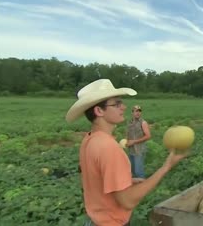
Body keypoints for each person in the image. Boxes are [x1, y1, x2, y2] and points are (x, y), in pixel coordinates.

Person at [65, 79, 188, 226]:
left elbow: (96, 179)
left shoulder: (89, 139)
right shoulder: (109, 148)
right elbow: (127, 201)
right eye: (116, 104)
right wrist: (165, 167)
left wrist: (127, 182)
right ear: (99, 111)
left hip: (94, 220)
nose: (123, 107)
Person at [126, 105, 151, 178]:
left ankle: (143, 187)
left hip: (139, 150)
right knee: (132, 171)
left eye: (139, 111)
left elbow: (148, 136)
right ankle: (136, 188)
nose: (138, 113)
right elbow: (128, 134)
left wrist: (134, 141)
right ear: (132, 112)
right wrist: (127, 142)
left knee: (138, 172)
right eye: (136, 111)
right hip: (131, 150)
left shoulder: (143, 123)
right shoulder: (129, 123)